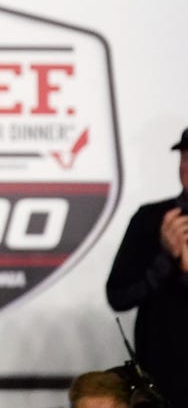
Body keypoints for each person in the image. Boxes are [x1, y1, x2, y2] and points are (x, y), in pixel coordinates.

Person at [105, 126, 188, 407]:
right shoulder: (149, 219)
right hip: (160, 385)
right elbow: (118, 296)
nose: (187, 166)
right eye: (185, 157)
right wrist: (164, 257)